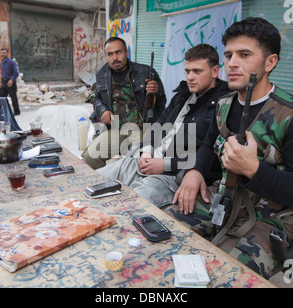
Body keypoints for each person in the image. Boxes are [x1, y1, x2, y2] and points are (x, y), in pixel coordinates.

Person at [171, 17, 293, 279]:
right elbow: (208, 145)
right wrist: (195, 171)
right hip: (223, 199)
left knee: (224, 276)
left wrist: (253, 169)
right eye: (228, 55)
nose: (232, 63)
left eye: (244, 54)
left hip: (270, 219)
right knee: (161, 233)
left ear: (270, 62)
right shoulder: (224, 104)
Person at [97, 44, 229, 207]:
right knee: (94, 180)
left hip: (172, 175)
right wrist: (147, 150)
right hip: (147, 162)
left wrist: (164, 164)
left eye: (197, 71)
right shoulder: (184, 95)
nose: (190, 77)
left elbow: (209, 157)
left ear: (215, 71)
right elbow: (159, 124)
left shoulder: (223, 106)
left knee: (127, 205)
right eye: (187, 71)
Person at [82, 37, 166, 169]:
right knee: (90, 157)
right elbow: (96, 96)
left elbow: (162, 102)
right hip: (116, 129)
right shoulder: (102, 73)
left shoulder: (145, 72)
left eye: (118, 52)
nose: (115, 58)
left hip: (142, 130)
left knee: (141, 165)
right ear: (106, 56)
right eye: (110, 54)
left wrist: (156, 92)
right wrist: (102, 109)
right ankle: (102, 186)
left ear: (126, 53)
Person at [0, 48, 20, 116]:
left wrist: (11, 80)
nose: (2, 54)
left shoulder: (11, 62)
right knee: (0, 97)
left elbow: (16, 73)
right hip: (4, 82)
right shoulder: (1, 62)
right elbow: (2, 72)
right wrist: (1, 82)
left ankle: (17, 112)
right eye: (1, 53)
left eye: (4, 53)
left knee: (13, 98)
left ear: (7, 53)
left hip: (10, 82)